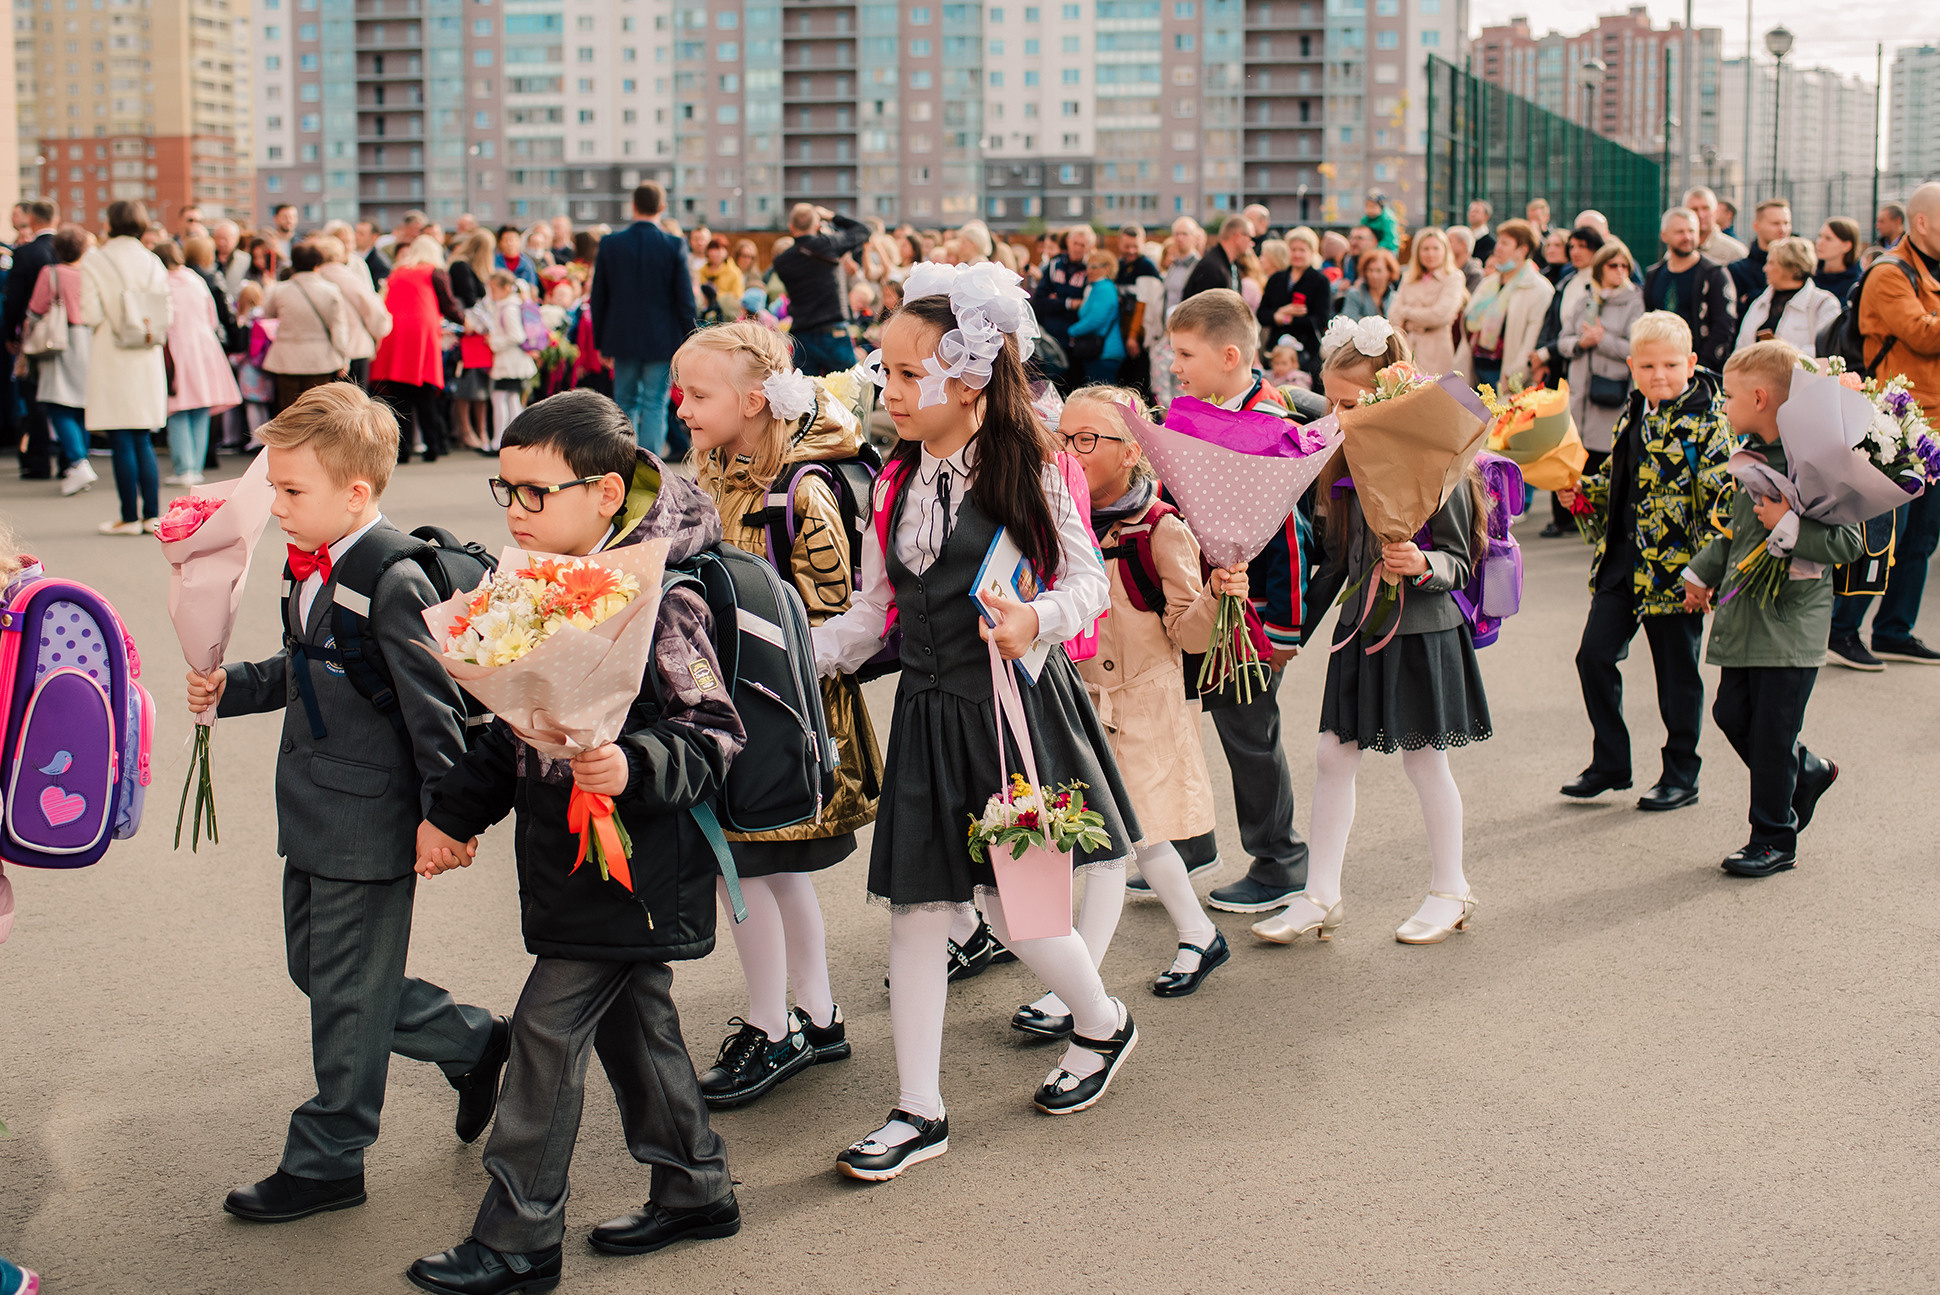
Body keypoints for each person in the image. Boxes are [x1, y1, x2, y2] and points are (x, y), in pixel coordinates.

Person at [810, 270, 1142, 1180]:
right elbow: (875, 612)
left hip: (1008, 718)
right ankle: (919, 1108)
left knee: (1020, 913)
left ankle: (1103, 1022)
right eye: (886, 370)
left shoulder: (1027, 466)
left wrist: (1037, 617)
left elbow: (1088, 584)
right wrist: (793, 654)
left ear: (968, 377)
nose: (890, 389)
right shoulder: (893, 480)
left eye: (908, 372)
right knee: (917, 916)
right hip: (926, 716)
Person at [407, 390, 739, 1292]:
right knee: (636, 1027)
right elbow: (506, 732)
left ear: (605, 493)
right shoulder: (534, 583)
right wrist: (450, 814)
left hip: (639, 863)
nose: (514, 509)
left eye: (535, 492)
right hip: (567, 857)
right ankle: (695, 1184)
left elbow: (713, 732)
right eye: (504, 488)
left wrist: (633, 764)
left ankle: (518, 1236)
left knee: (546, 1035)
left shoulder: (661, 596)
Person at [183, 384, 507, 1228]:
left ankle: (330, 1154)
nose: (276, 507)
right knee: (320, 972)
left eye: (292, 491)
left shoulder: (389, 577)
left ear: (355, 493)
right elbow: (310, 664)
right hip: (319, 810)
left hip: (371, 821)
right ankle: (473, 1038)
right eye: (275, 488)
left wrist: (449, 817)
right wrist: (233, 687)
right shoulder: (314, 561)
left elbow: (433, 712)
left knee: (344, 995)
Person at [672, 322, 881, 1107]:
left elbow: (832, 608)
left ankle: (774, 1026)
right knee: (776, 870)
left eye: (700, 395)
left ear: (754, 399)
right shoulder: (721, 468)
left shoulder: (800, 489)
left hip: (780, 714)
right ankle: (817, 1013)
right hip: (748, 704)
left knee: (747, 868)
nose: (685, 410)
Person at [1254, 329, 1492, 948]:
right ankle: (1320, 896)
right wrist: (1285, 635)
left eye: (1351, 405)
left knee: (1425, 760)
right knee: (1333, 756)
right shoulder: (1341, 461)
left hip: (1421, 629)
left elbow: (1462, 564)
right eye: (1331, 403)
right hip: (1360, 627)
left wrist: (1424, 564)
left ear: (1390, 397)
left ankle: (1451, 889)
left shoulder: (1442, 461)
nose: (1338, 416)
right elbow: (1332, 565)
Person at [1057, 386, 1238, 997]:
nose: (1070, 450)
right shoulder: (1060, 520)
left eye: (1086, 440)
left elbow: (1188, 635)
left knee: (1118, 842)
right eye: (1062, 437)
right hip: (1083, 700)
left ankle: (1074, 988)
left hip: (1146, 703)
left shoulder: (1159, 529)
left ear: (1132, 451)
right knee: (1138, 834)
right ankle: (1198, 932)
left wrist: (1218, 595)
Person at [1682, 341, 1862, 877]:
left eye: (1730, 395)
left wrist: (1789, 523)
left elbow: (1847, 542)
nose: (1724, 404)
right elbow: (1741, 534)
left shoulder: (1817, 461)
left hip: (1791, 620)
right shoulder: (1756, 454)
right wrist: (1701, 571)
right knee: (1732, 713)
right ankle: (1805, 772)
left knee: (1772, 732)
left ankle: (1773, 839)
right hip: (1747, 612)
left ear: (1760, 398)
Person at [1164, 289, 1310, 913]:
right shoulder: (1203, 409)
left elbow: (1293, 541)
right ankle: (1190, 844)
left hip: (1250, 618)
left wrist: (1282, 630)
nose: (1175, 366)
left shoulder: (1270, 426)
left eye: (1185, 354)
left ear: (1230, 355)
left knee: (1250, 735)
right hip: (1203, 605)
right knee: (1182, 727)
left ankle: (1280, 860)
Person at [1556, 311, 1734, 813]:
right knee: (1593, 657)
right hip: (1620, 564)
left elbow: (1726, 506)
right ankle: (1611, 761)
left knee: (1677, 678)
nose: (1660, 375)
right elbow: (1620, 477)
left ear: (1692, 363)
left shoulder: (1709, 423)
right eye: (1649, 366)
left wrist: (1705, 574)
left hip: (1676, 575)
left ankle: (1681, 773)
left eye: (1672, 365)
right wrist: (1584, 494)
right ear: (1632, 366)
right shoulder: (1636, 410)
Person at [1842, 181, 1940, 666]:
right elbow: (1922, 336)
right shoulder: (1889, 273)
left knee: (1922, 537)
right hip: (1895, 428)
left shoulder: (1930, 274)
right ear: (1922, 222)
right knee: (1879, 536)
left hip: (1934, 428)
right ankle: (1843, 628)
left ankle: (1894, 629)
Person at [80, 200, 170, 536]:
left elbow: (90, 314)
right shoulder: (153, 260)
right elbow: (166, 312)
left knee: (121, 437)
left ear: (110, 222)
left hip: (112, 354)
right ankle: (151, 515)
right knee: (142, 437)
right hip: (146, 352)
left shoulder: (96, 259)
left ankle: (128, 517)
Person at [590, 183, 698, 457]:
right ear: (662, 207)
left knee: (624, 401)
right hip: (661, 338)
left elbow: (598, 296)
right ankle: (650, 465)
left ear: (633, 205)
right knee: (654, 403)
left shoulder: (611, 243)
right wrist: (691, 339)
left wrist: (600, 342)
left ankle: (623, 458)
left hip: (621, 336)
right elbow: (685, 298)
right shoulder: (673, 245)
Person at [1556, 239, 1643, 497]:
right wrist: (1581, 342)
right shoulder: (1585, 300)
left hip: (1611, 393)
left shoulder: (1634, 302)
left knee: (1603, 459)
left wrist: (1603, 340)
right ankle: (1566, 518)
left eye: (1624, 266)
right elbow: (1563, 341)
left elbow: (1635, 348)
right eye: (1612, 265)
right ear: (1599, 269)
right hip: (1580, 393)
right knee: (1572, 455)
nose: (1619, 270)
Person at [370, 235, 461, 463]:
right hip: (421, 335)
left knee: (401, 397)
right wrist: (464, 320)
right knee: (425, 393)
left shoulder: (398, 271)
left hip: (395, 335)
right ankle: (434, 446)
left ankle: (404, 450)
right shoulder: (435, 272)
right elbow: (448, 305)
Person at [158, 240, 240, 485]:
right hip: (205, 346)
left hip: (177, 348)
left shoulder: (162, 283)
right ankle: (195, 466)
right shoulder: (196, 279)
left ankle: (184, 468)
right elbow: (213, 318)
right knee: (200, 410)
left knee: (179, 408)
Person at [25, 224, 95, 497]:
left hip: (60, 341)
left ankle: (78, 462)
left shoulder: (51, 273)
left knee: (59, 405)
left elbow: (35, 309)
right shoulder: (90, 273)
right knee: (81, 405)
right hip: (88, 339)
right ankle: (80, 461)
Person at [772, 202, 872, 377]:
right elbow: (863, 230)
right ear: (817, 225)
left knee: (808, 395)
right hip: (833, 330)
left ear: (791, 227)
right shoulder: (828, 244)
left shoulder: (781, 262)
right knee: (847, 390)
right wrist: (831, 216)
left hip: (802, 334)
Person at [261, 240, 353, 416]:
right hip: (320, 360)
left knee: (288, 412)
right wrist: (343, 357)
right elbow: (339, 328)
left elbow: (267, 313)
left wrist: (269, 288)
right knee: (317, 412)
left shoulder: (280, 290)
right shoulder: (330, 290)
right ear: (317, 264)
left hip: (285, 359)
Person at [1642, 207, 1737, 372]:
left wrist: (1700, 367)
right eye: (1679, 232)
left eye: (1691, 231)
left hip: (1700, 370)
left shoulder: (1714, 274)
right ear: (1664, 235)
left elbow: (1724, 326)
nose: (1687, 237)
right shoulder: (1654, 275)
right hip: (1660, 367)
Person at [1460, 218, 1552, 389]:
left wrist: (1514, 377)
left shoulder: (1539, 289)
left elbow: (1531, 340)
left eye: (1505, 243)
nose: (1497, 248)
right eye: (1498, 242)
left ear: (1522, 250)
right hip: (1475, 371)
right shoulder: (1489, 283)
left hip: (1506, 376)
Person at [4, 199, 59, 482]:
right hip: (67, 335)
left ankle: (39, 461)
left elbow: (14, 301)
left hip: (35, 335)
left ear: (32, 220)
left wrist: (9, 334)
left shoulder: (26, 253)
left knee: (34, 395)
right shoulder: (66, 249)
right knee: (64, 399)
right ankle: (68, 460)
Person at [1735, 236, 1841, 356]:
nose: (1765, 269)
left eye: (1771, 263)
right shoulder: (1760, 302)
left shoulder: (1823, 304)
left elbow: (1828, 351)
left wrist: (1782, 350)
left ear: (1793, 269)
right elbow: (1740, 348)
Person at [1529, 224, 1605, 391]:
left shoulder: (1602, 286)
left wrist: (1546, 353)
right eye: (1571, 247)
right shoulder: (1566, 283)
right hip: (1557, 366)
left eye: (1582, 246)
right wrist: (1541, 356)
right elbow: (1550, 322)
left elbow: (1581, 332)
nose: (1575, 252)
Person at [314, 233, 393, 392]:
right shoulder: (348, 277)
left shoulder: (315, 278)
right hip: (355, 348)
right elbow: (372, 308)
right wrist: (379, 330)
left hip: (322, 353)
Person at [1258, 226, 1332, 384]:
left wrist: (1288, 319)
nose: (1297, 254)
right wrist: (1279, 313)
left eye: (1302, 250)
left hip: (1305, 355)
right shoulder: (1276, 279)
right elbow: (1262, 314)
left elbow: (1321, 319)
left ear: (1312, 252)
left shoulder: (1320, 281)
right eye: (1293, 249)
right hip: (1275, 355)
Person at [1030, 223, 1097, 379]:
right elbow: (1039, 302)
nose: (1078, 248)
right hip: (1050, 339)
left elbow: (1087, 306)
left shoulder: (1091, 270)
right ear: (1068, 242)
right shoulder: (1054, 265)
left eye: (1083, 244)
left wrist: (1056, 300)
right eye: (1075, 243)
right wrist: (1069, 303)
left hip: (1077, 343)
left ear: (1089, 247)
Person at [483, 269, 536, 449]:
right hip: (514, 362)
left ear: (506, 288)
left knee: (500, 398)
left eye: (494, 289)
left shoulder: (508, 307)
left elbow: (517, 336)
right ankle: (512, 440)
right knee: (511, 398)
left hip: (509, 362)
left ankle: (500, 440)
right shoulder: (509, 305)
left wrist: (494, 341)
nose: (492, 293)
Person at [1113, 223, 1163, 391]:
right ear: (1119, 243)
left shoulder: (1146, 266)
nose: (1131, 251)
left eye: (1135, 246)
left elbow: (1143, 305)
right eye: (1127, 246)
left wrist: (1133, 336)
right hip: (1122, 335)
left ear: (1143, 243)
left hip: (1140, 337)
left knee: (1139, 385)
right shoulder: (1119, 266)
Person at [1066, 249, 1126, 385]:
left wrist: (1071, 331)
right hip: (1099, 351)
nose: (1089, 271)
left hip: (1105, 352)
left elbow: (1096, 319)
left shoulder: (1104, 288)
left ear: (1107, 268)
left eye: (1094, 267)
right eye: (1088, 266)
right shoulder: (1096, 287)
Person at [1729, 199, 1794, 306]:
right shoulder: (1738, 271)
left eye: (1786, 223)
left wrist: (1752, 297)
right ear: (1756, 226)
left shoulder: (1798, 268)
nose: (1783, 229)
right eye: (1775, 223)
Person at [1182, 215, 1252, 300]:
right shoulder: (1211, 267)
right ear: (1238, 237)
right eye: (1250, 238)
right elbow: (1202, 309)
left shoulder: (1230, 264)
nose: (1252, 243)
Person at [1684, 186, 1748, 264]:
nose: (1701, 215)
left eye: (1705, 208)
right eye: (1694, 209)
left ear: (1716, 212)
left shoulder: (1734, 252)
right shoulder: (1678, 250)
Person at [1336, 248, 1399, 322]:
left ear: (1389, 272)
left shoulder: (1396, 298)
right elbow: (1349, 322)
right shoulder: (1354, 294)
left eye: (1379, 271)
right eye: (1370, 270)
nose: (1374, 275)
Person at [1814, 217, 1864, 304]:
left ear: (1847, 246)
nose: (1820, 242)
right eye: (1820, 236)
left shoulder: (1857, 286)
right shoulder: (1808, 275)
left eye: (1828, 238)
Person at [698, 235, 746, 310]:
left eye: (718, 249)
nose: (714, 253)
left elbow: (737, 297)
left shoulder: (734, 272)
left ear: (726, 251)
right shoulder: (700, 271)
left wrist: (715, 295)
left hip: (725, 313)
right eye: (712, 249)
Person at [493, 224, 538, 291]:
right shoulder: (493, 262)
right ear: (500, 242)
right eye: (506, 240)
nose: (510, 244)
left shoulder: (527, 264)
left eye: (514, 240)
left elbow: (532, 286)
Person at [1445, 224, 1485, 293]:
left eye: (1449, 241)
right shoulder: (1443, 269)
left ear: (1463, 245)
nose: (1445, 245)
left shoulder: (1475, 274)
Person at [1466, 200, 1496, 267]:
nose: (1472, 214)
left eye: (1476, 211)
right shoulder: (1464, 236)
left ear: (1486, 216)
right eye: (1470, 211)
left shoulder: (1490, 243)